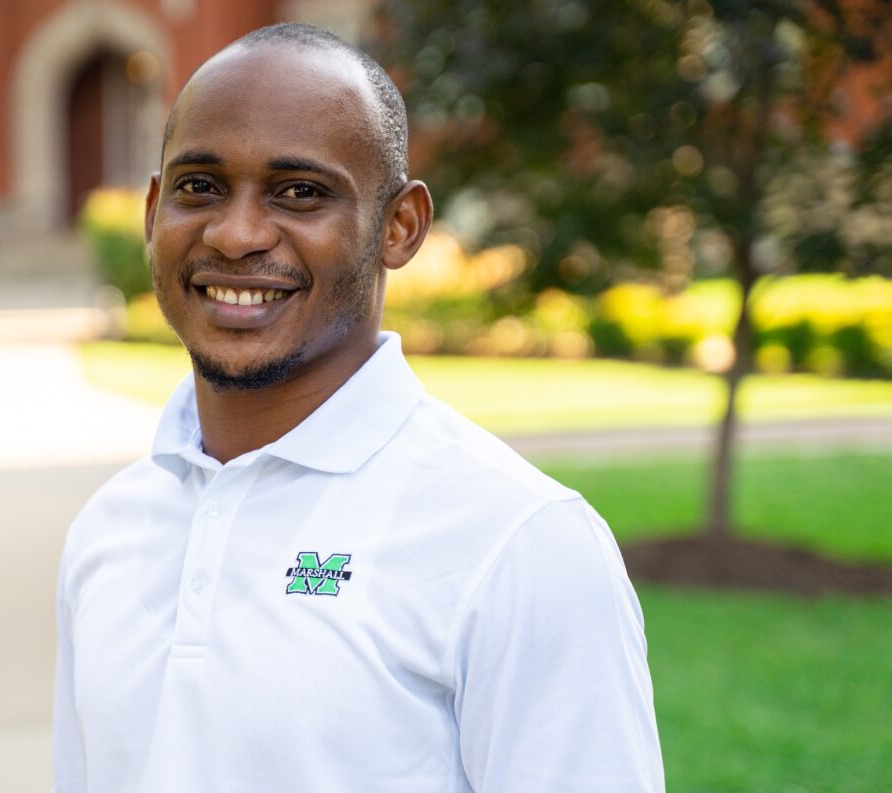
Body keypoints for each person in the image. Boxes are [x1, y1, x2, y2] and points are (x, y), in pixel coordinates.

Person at [53, 22, 664, 793]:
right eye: (200, 186)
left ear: (399, 227)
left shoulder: (519, 543)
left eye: (300, 192)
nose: (236, 234)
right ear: (152, 213)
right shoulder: (109, 529)